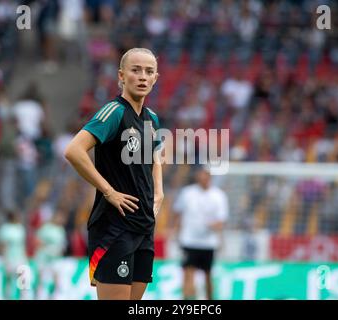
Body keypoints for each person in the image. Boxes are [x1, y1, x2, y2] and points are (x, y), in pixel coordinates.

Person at [64, 47, 164, 300]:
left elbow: (154, 156)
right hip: (114, 227)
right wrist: (109, 192)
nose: (143, 76)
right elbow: (74, 150)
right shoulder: (114, 112)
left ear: (156, 78)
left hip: (143, 227)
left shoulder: (152, 118)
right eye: (136, 70)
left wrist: (159, 192)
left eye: (149, 71)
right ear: (121, 76)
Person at [171, 166, 229, 300]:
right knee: (188, 273)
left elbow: (222, 221)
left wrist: (213, 226)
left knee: (208, 275)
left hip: (208, 243)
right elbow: (177, 213)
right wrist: (174, 230)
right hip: (189, 240)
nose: (204, 177)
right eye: (202, 174)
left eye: (206, 175)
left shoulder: (218, 196)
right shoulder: (187, 193)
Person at [34, 211, 67, 300]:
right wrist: (47, 249)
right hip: (43, 258)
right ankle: (38, 296)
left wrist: (59, 251)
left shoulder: (61, 230)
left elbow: (62, 245)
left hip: (55, 259)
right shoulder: (46, 228)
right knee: (41, 279)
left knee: (56, 278)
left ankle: (53, 296)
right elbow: (38, 241)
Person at [0, 210, 29, 300]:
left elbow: (22, 244)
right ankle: (7, 297)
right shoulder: (5, 229)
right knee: (9, 281)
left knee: (22, 280)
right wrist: (4, 259)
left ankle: (23, 297)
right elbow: (2, 245)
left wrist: (25, 256)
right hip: (10, 259)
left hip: (20, 258)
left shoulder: (20, 228)